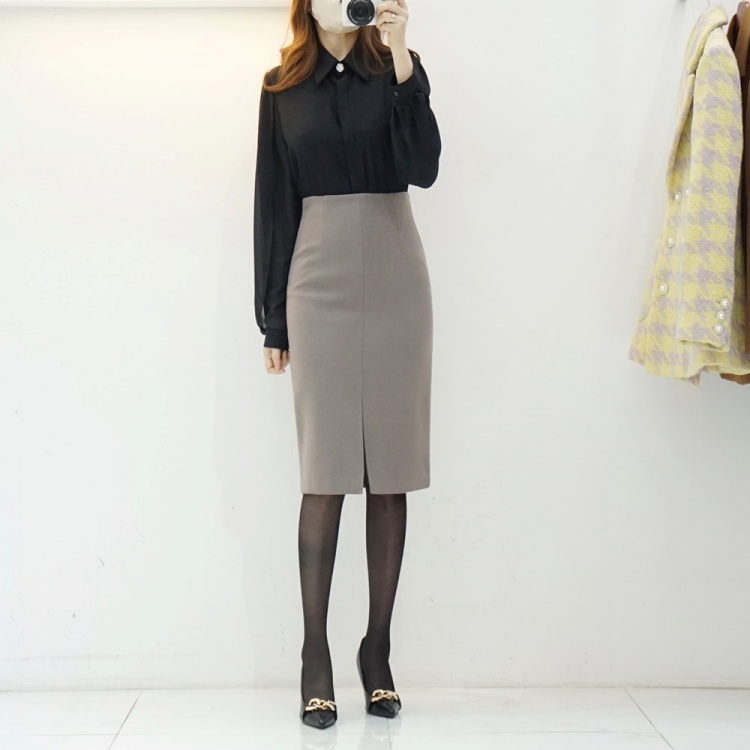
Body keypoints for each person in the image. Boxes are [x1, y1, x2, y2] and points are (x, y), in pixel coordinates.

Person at [253, 0, 441, 730]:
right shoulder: (280, 87)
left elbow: (423, 167)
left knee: (390, 470)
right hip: (318, 278)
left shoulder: (395, 72)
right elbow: (274, 203)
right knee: (325, 473)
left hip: (396, 276)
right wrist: (273, 317)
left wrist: (402, 56)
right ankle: (314, 655)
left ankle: (377, 651)